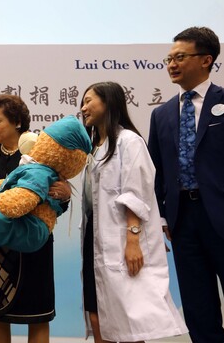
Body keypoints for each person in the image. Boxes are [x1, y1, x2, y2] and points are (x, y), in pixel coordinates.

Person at [80, 81, 187, 342]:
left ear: (108, 102)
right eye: (82, 102)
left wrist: (133, 239)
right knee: (97, 314)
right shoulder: (93, 147)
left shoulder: (129, 141)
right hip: (95, 237)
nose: (83, 108)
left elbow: (136, 193)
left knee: (131, 319)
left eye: (89, 101)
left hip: (122, 237)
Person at [147, 26, 224, 343]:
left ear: (206, 59)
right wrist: (160, 216)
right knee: (199, 311)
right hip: (183, 222)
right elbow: (155, 171)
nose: (172, 64)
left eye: (180, 57)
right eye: (169, 58)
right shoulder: (162, 114)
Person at [0, 94, 71, 343]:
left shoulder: (42, 152)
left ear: (17, 122)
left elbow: (59, 200)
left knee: (37, 315)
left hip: (34, 246)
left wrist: (64, 195)